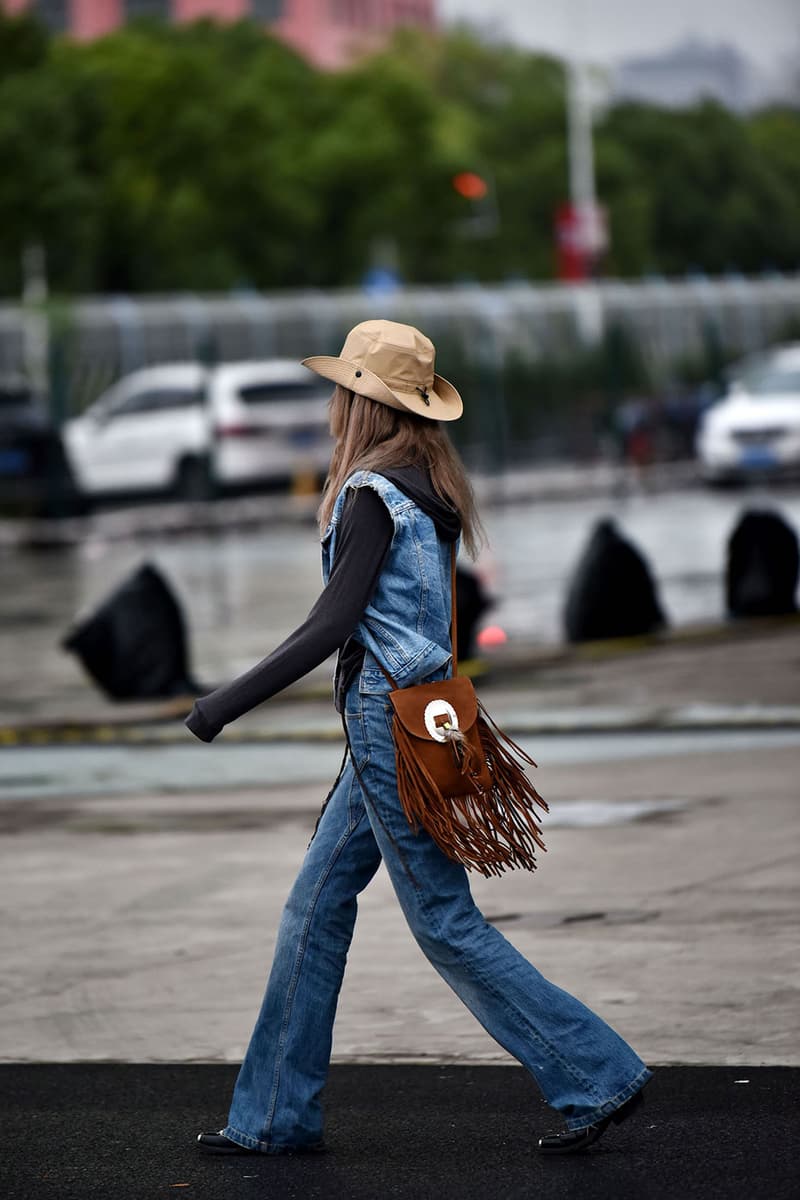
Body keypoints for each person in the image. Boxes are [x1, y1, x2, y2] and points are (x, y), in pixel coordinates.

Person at [185, 319, 651, 1157]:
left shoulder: (371, 493)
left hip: (385, 721)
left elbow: (330, 625)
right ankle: (274, 1118)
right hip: (419, 714)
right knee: (314, 907)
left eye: (342, 390)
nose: (333, 403)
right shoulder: (428, 482)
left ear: (361, 402)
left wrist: (221, 704)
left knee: (441, 919)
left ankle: (594, 1072)